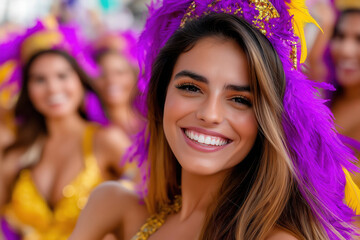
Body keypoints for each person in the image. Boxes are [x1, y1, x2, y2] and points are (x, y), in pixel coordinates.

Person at [70, 0, 359, 239]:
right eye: (191, 88)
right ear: (161, 94)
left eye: (240, 100)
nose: (209, 114)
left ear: (267, 121)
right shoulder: (112, 204)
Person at [0, 49, 130, 240]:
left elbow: (153, 199)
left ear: (80, 82)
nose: (52, 88)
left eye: (62, 76)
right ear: (28, 91)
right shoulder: (17, 153)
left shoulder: (106, 140)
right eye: (39, 80)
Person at [91, 32, 143, 137]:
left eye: (120, 72)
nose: (111, 80)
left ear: (135, 76)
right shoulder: (91, 131)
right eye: (102, 74)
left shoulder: (156, 121)